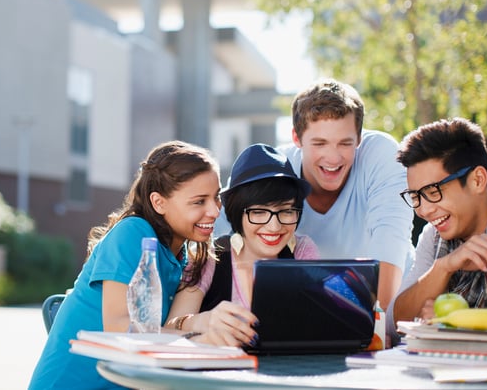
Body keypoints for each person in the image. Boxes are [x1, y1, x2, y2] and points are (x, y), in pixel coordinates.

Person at [28, 140, 222, 390]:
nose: (215, 211)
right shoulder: (133, 232)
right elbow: (120, 328)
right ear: (159, 202)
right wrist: (200, 335)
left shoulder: (184, 256)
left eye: (216, 198)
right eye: (199, 201)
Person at [278, 79, 415, 311]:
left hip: (392, 305)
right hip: (310, 307)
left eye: (344, 143)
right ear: (296, 139)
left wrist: (378, 329)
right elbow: (230, 242)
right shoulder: (277, 169)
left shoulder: (382, 155)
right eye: (320, 143)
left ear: (359, 139)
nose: (333, 158)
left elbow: (391, 241)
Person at [164, 143, 319, 348]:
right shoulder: (211, 256)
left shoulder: (302, 251)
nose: (274, 226)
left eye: (286, 211)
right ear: (238, 213)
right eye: (258, 212)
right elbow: (169, 328)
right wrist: (203, 326)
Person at [389, 117, 487, 327]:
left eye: (433, 192)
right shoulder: (433, 235)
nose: (423, 210)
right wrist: (443, 268)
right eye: (415, 197)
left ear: (477, 180)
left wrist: (460, 324)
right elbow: (393, 323)